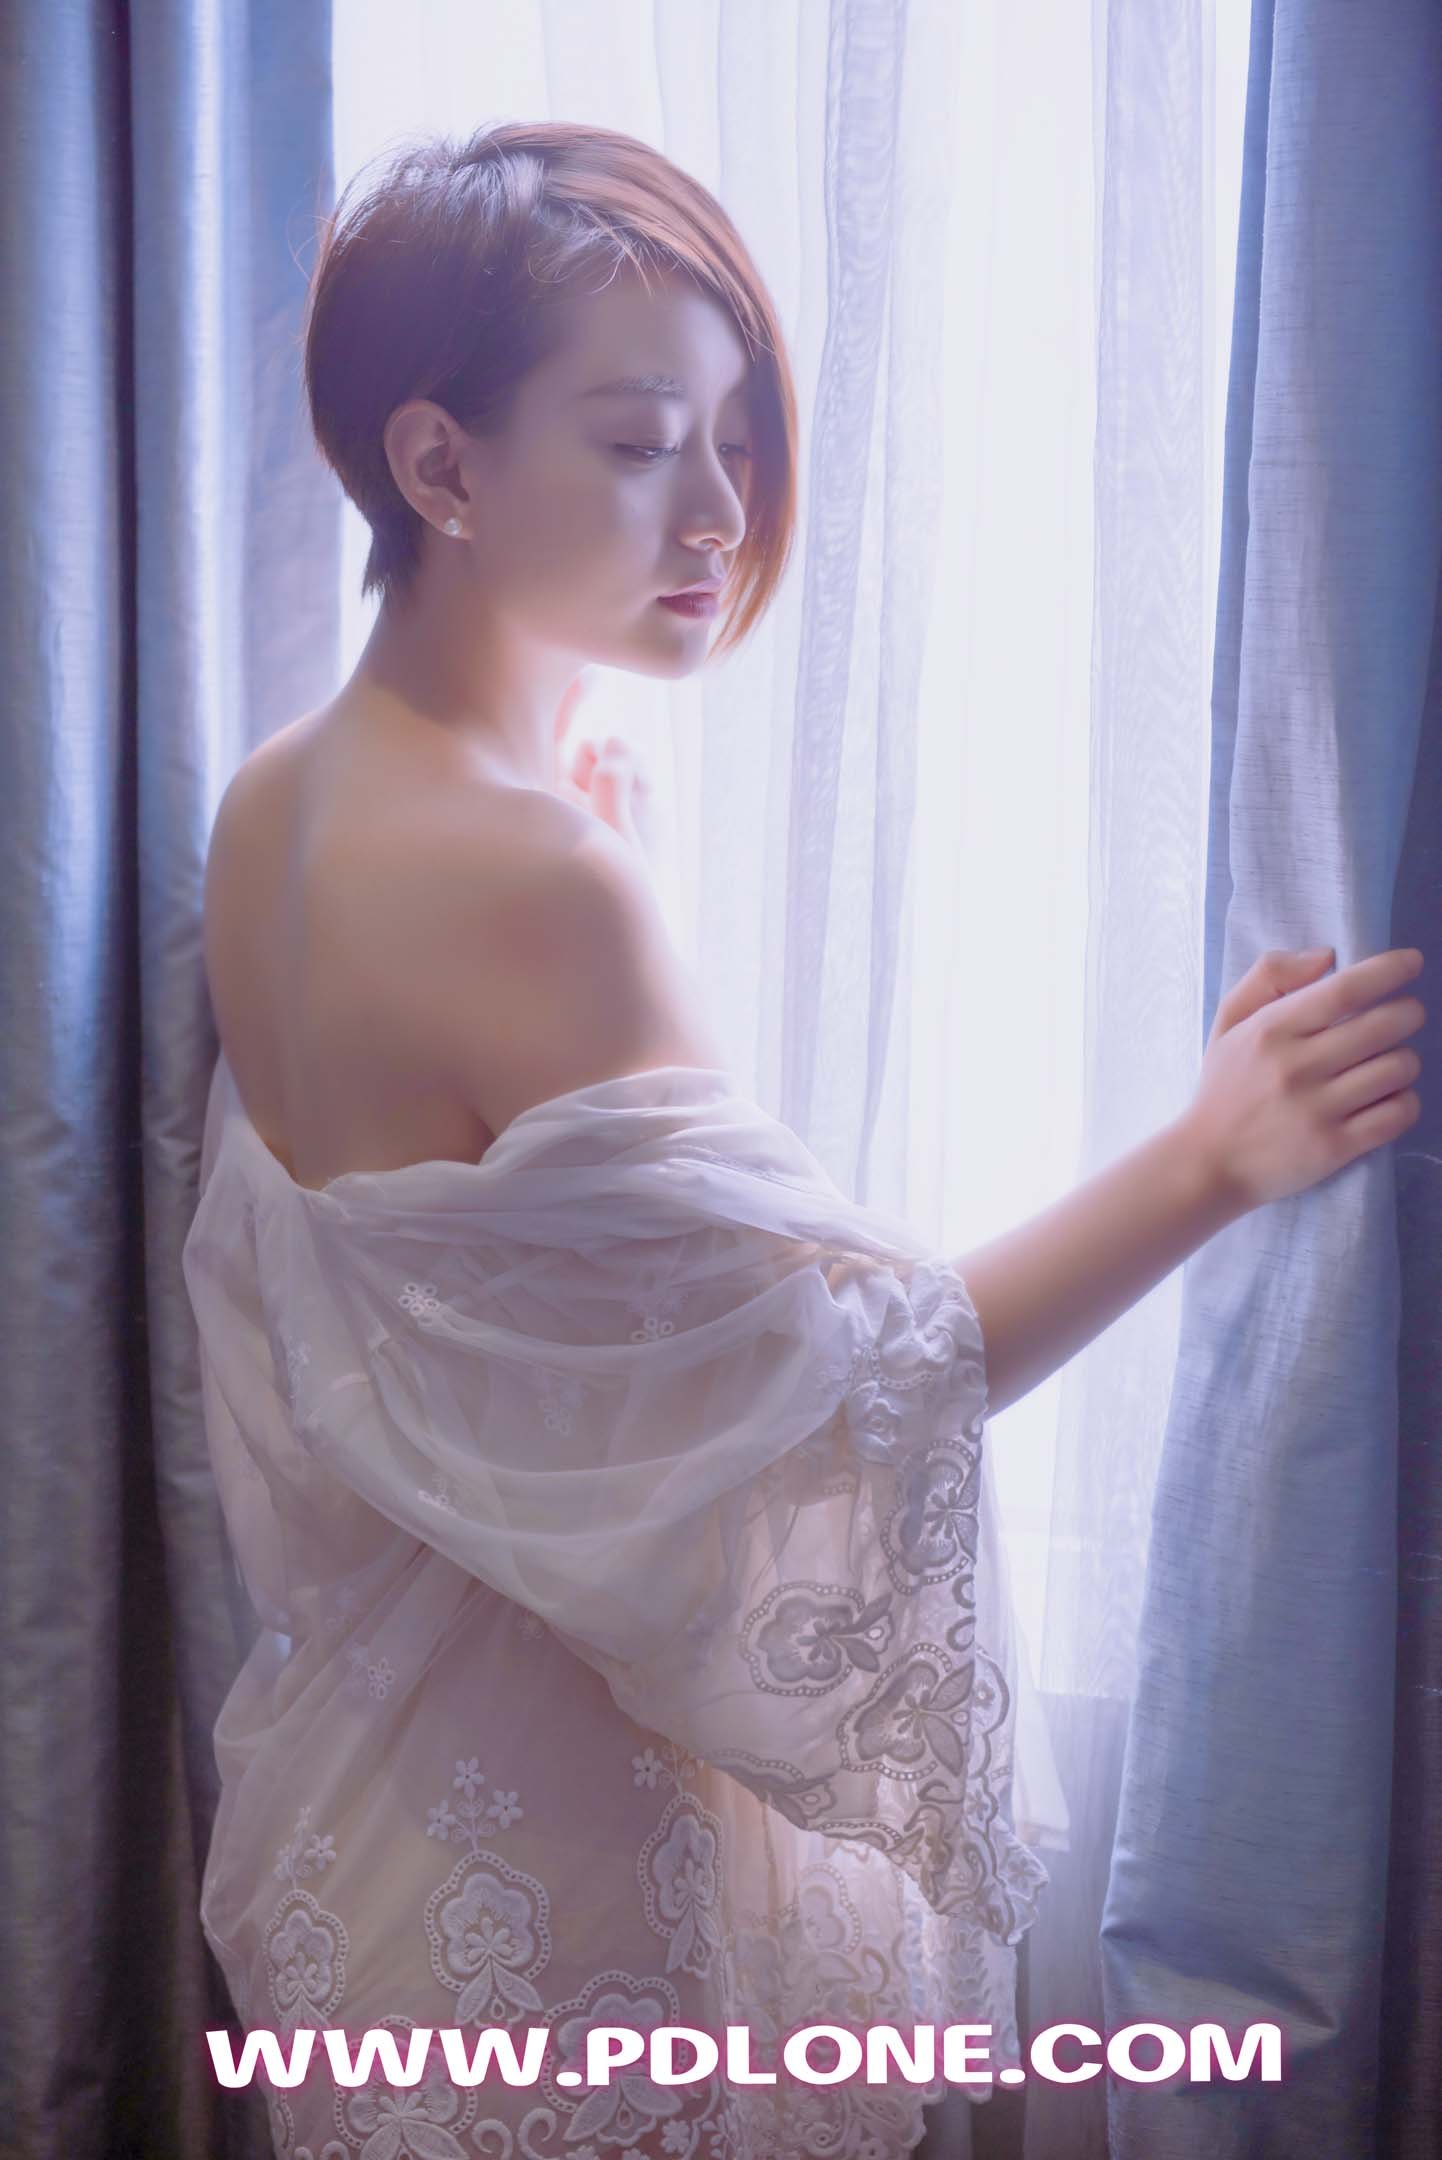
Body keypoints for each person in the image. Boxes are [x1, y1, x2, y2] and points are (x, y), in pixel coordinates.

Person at [182, 120, 1426, 2160]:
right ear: (439, 465)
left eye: (739, 439)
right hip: (572, 1893)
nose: (723, 509)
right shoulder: (533, 881)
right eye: (639, 442)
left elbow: (492, 1312)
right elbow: (832, 1402)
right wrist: (1213, 1157)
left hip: (376, 1846)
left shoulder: (282, 799)